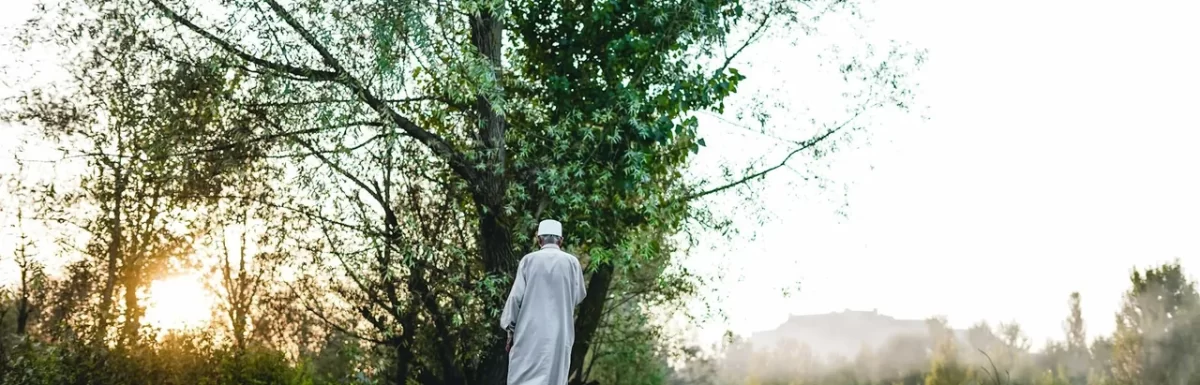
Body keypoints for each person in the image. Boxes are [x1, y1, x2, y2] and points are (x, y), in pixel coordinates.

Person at [500, 219, 587, 385]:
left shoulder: (528, 260)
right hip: (560, 334)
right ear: (561, 241)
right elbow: (578, 295)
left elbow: (515, 298)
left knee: (523, 378)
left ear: (539, 240)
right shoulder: (571, 263)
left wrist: (510, 330)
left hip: (529, 332)